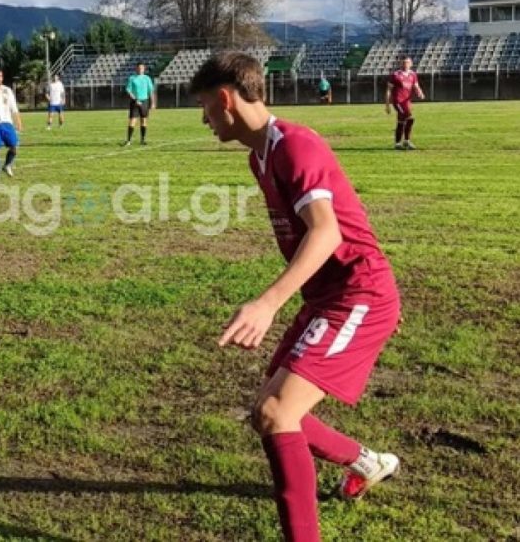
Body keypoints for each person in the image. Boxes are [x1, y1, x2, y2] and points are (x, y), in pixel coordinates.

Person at [191, 52, 401, 542]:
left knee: (276, 413)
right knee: (273, 407)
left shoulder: (295, 146)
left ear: (225, 99)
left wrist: (268, 302)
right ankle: (367, 462)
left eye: (204, 106)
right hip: (333, 296)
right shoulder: (259, 155)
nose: (203, 119)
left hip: (356, 293)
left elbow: (326, 233)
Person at [386, 56, 425, 150]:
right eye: (403, 63)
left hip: (406, 102)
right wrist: (387, 105)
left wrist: (420, 92)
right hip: (398, 101)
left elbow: (416, 85)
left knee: (401, 121)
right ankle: (406, 141)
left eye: (407, 62)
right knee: (410, 118)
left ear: (411, 64)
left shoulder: (413, 74)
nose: (405, 64)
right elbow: (388, 90)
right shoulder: (395, 75)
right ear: (400, 64)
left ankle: (398, 143)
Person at [124, 61, 155, 146]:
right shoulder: (132, 78)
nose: (140, 69)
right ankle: (128, 140)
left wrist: (153, 103)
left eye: (141, 68)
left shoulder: (147, 78)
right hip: (134, 102)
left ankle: (142, 140)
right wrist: (135, 99)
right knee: (132, 121)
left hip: (145, 101)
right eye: (138, 68)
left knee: (143, 121)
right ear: (136, 69)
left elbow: (151, 91)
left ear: (144, 69)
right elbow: (128, 90)